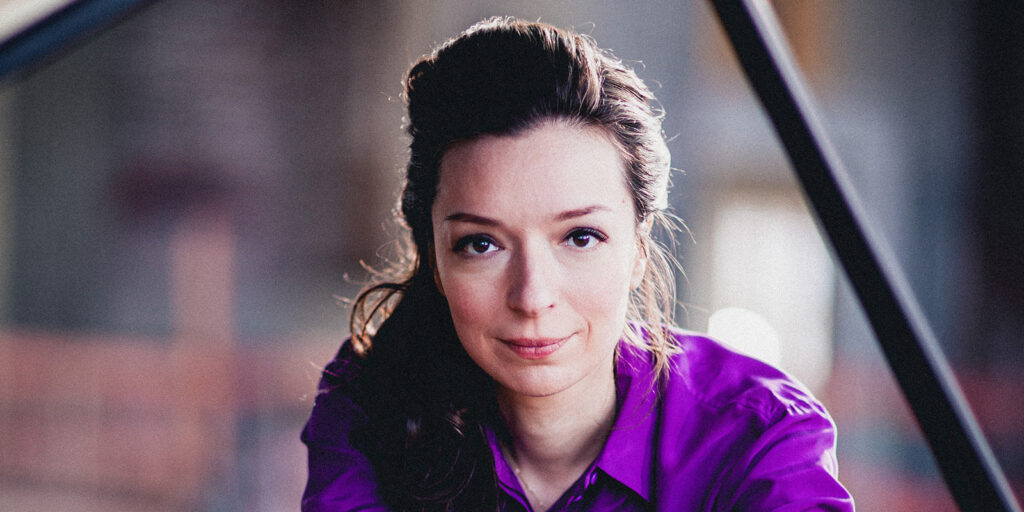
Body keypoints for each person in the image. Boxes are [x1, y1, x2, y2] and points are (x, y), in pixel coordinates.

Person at [301, 17, 854, 512]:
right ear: (433, 257)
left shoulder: (757, 434)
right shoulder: (374, 400)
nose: (533, 296)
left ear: (639, 248)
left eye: (580, 237)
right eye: (481, 244)